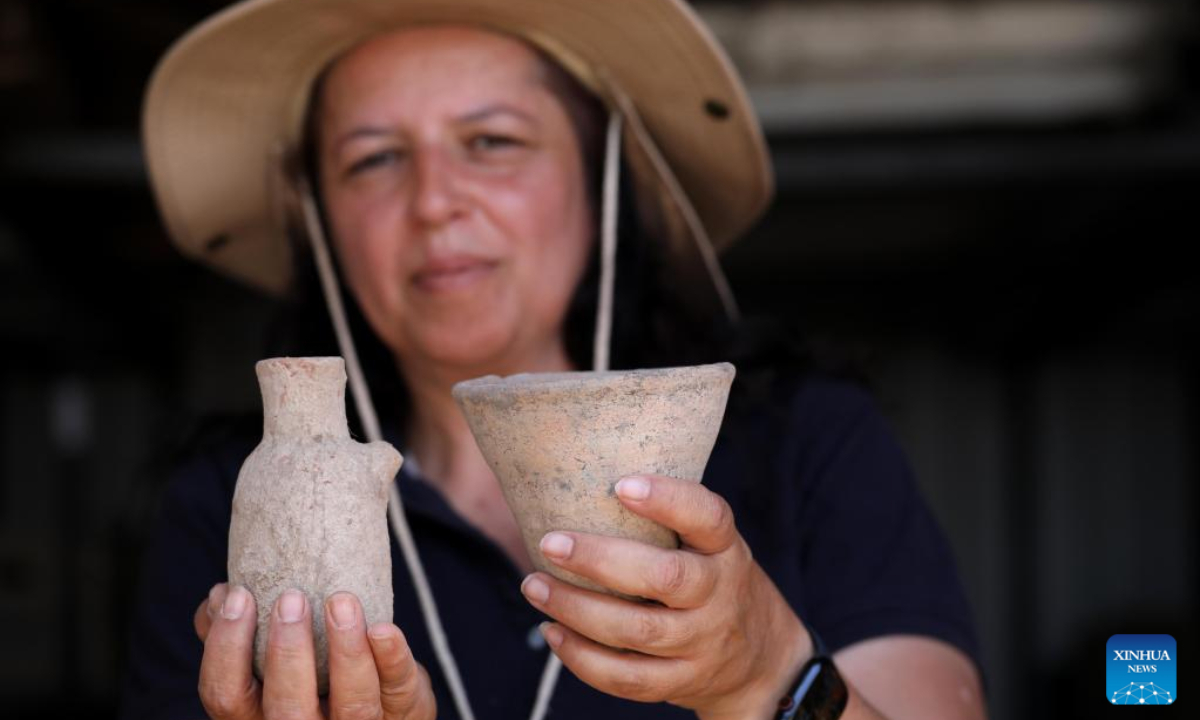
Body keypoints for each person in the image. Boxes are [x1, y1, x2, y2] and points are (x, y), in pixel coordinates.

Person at [122, 1, 987, 719]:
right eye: (375, 159)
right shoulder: (230, 500)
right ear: (320, 220)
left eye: (492, 141)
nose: (434, 202)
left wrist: (766, 674)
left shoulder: (801, 439)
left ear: (603, 180)